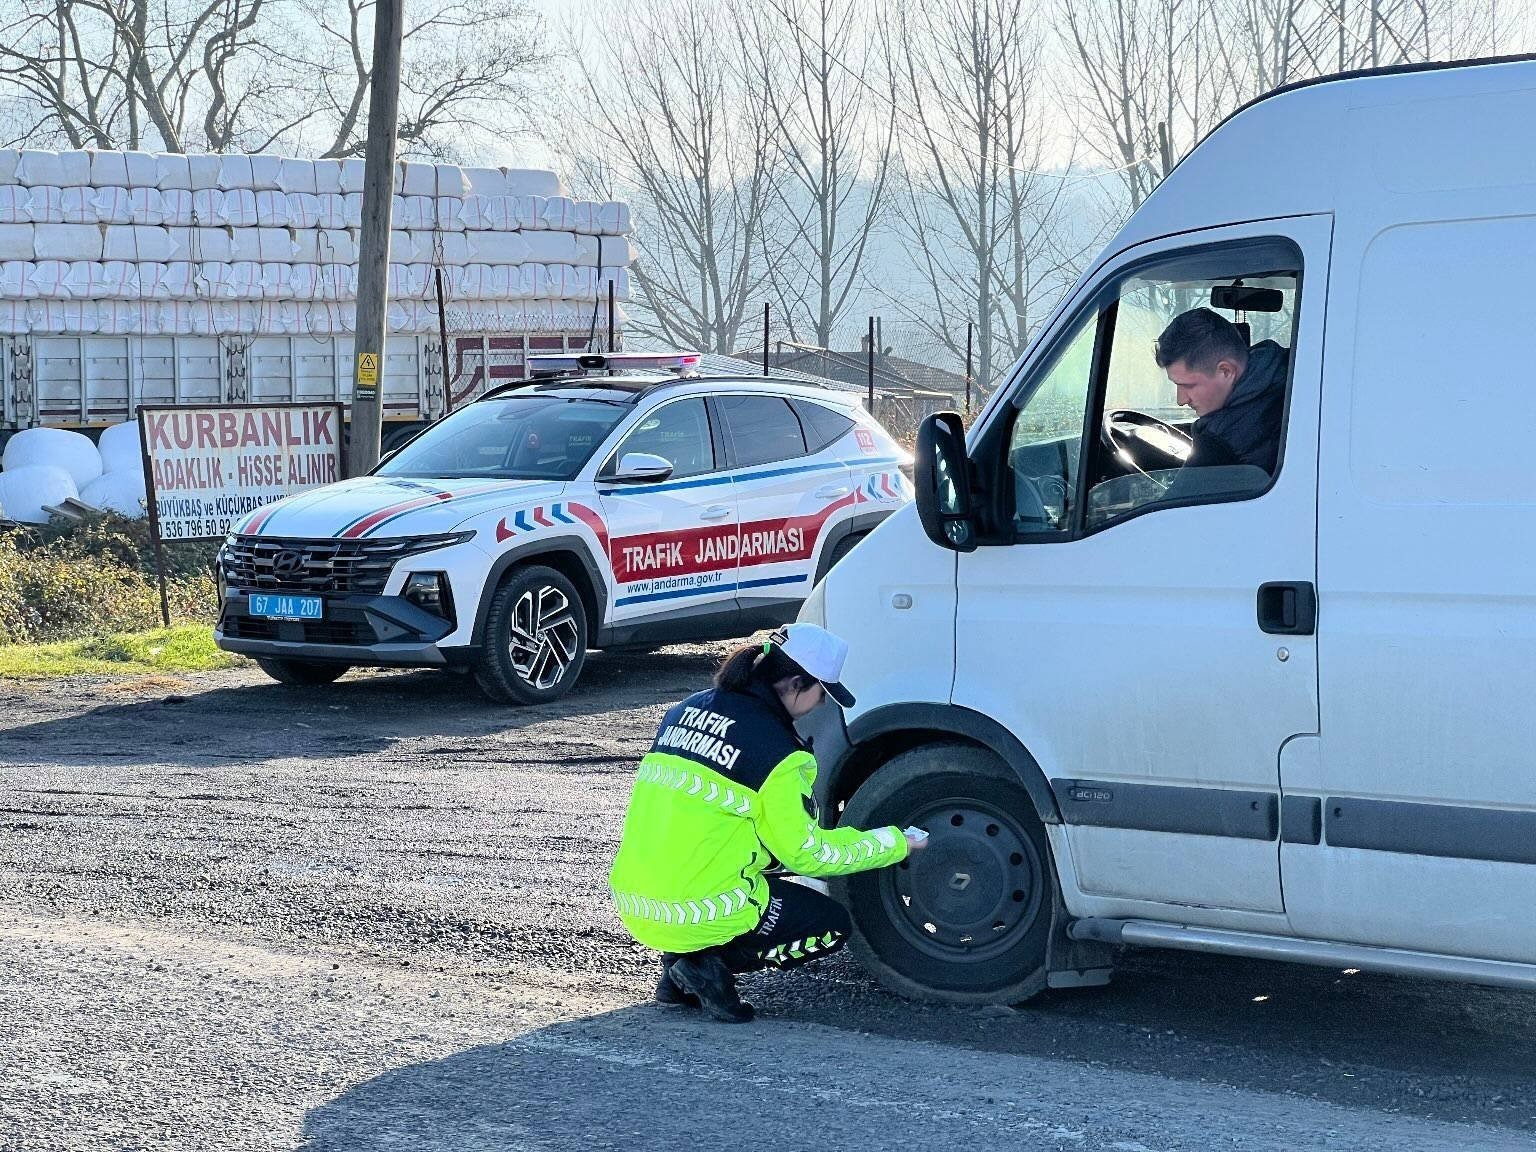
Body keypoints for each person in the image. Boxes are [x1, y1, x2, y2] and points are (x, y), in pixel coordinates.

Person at [608, 623, 926, 1023]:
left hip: (636, 900)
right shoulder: (781, 754)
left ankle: (678, 967)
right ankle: (706, 964)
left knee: (734, 859)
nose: (822, 705)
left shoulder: (683, 711)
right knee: (829, 925)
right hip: (700, 908)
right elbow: (810, 855)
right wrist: (894, 843)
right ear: (795, 684)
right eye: (821, 694)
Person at [1154, 307, 1289, 473]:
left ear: (1226, 371)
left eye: (1188, 385)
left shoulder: (1219, 444)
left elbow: (1177, 498)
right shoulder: (1289, 372)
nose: (1181, 400)